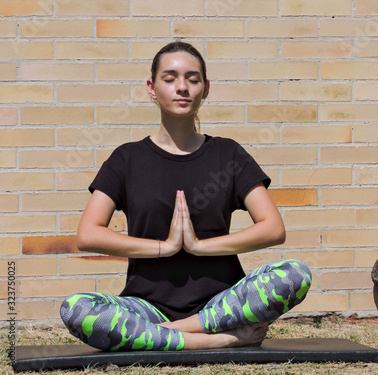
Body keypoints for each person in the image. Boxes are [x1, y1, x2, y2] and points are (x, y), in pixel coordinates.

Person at [60, 41, 312, 351]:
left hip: (220, 306)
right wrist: (163, 247)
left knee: (295, 274)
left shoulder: (228, 154)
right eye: (170, 78)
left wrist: (198, 247)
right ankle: (216, 341)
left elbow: (273, 228)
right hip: (147, 306)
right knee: (76, 308)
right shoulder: (127, 159)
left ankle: (167, 333)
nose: (182, 87)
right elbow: (88, 234)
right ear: (152, 88)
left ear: (206, 89)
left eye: (193, 79)